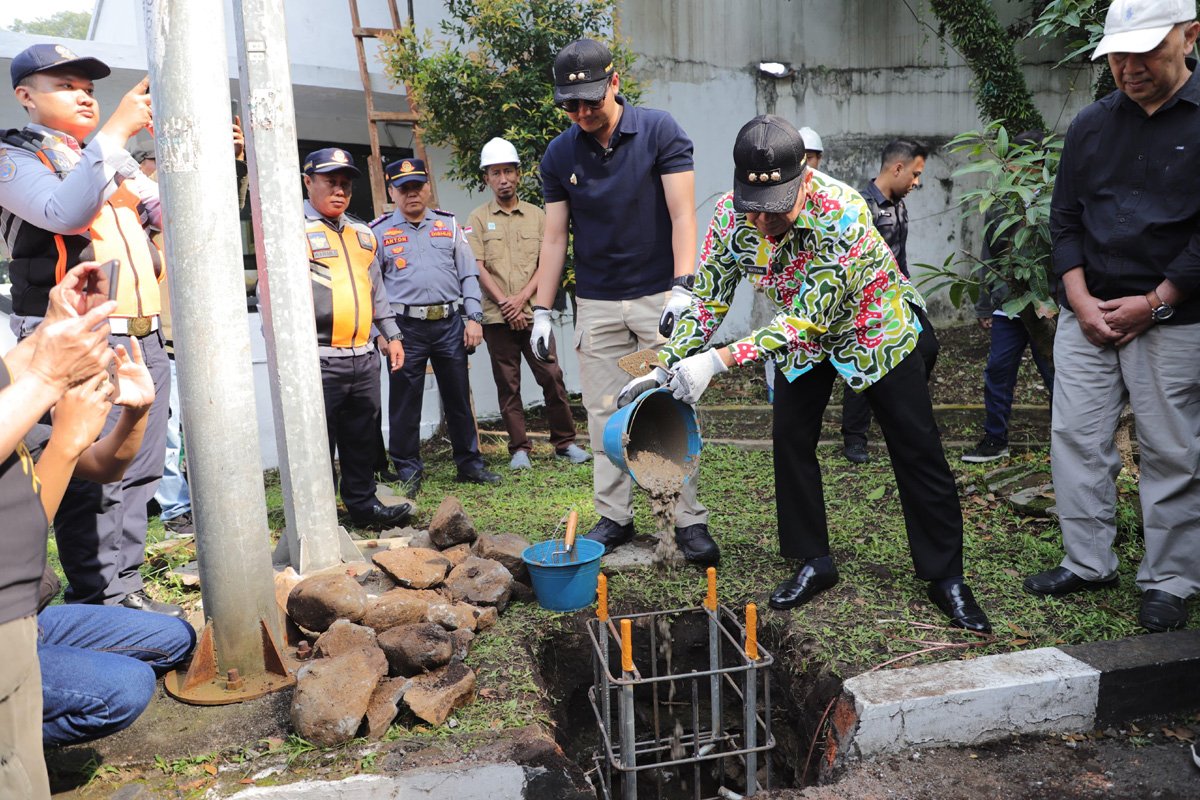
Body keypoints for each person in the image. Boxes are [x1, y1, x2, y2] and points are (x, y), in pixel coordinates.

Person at [642, 115, 990, 632]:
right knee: (789, 438)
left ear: (803, 177)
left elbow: (811, 316)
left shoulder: (844, 211)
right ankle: (813, 560)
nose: (762, 224)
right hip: (799, 344)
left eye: (775, 211)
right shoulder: (729, 216)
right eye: (752, 211)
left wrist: (716, 361)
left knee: (916, 448)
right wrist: (665, 363)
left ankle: (946, 577)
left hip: (873, 329)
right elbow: (709, 300)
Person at [1024, 0, 1200, 634]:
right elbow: (1064, 218)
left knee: (1171, 450)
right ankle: (1087, 561)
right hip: (1089, 313)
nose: (1130, 67)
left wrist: (1156, 302)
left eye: (1147, 51)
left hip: (1175, 319)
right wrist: (1075, 297)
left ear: (1190, 36)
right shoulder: (1091, 125)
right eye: (1119, 55)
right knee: (1075, 439)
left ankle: (1171, 579)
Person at [0, 44, 181, 617]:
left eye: (88, 85)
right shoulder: (15, 153)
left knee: (140, 469)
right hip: (80, 341)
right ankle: (100, 599)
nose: (84, 94)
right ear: (24, 95)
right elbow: (63, 214)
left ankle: (124, 587)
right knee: (92, 476)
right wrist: (114, 136)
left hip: (142, 336)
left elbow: (170, 216)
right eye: (65, 84)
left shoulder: (109, 157)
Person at [0, 265, 190, 799]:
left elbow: (104, 465)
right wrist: (63, 434)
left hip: (28, 617)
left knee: (174, 637)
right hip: (5, 626)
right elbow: (36, 511)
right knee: (125, 688)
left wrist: (134, 415)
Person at [530, 38, 717, 565]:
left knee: (667, 404)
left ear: (615, 83)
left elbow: (683, 214)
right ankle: (614, 514)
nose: (583, 113)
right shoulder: (560, 153)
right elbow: (553, 237)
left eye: (591, 100)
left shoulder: (660, 131)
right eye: (572, 104)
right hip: (596, 302)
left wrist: (685, 286)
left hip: (658, 296)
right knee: (601, 412)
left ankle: (685, 519)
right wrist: (543, 309)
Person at [371, 157, 500, 494]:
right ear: (392, 191)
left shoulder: (449, 225)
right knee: (404, 401)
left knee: (458, 395)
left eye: (417, 186)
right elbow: (371, 288)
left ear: (427, 188)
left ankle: (470, 464)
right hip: (403, 328)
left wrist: (473, 317)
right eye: (404, 189)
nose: (412, 194)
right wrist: (379, 333)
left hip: (448, 323)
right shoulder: (379, 232)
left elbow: (468, 274)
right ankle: (409, 470)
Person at [299, 148, 413, 528]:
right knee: (318, 442)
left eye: (345, 184)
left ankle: (363, 507)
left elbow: (375, 291)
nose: (340, 190)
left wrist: (391, 335)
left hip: (362, 356)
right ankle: (318, 517)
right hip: (317, 356)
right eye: (331, 182)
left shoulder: (364, 234)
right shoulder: (293, 230)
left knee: (362, 436)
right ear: (308, 182)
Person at [465, 137, 590, 471]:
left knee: (551, 376)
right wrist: (506, 303)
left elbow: (547, 262)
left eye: (508, 171)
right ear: (486, 179)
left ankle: (565, 443)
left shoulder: (538, 215)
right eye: (495, 173)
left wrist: (522, 302)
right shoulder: (477, 219)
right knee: (508, 384)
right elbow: (477, 267)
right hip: (496, 317)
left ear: (518, 174)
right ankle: (519, 448)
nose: (503, 178)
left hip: (536, 314)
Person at [840, 139, 937, 465]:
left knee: (926, 347)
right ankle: (854, 437)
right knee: (862, 363)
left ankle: (897, 407)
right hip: (865, 301)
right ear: (898, 168)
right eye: (915, 173)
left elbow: (900, 256)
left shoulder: (899, 204)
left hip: (898, 294)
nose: (917, 182)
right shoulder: (860, 205)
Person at [963, 132, 1055, 463]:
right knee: (998, 371)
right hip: (1008, 305)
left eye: (1020, 158)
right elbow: (989, 254)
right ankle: (995, 439)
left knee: (1054, 372)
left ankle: (1064, 440)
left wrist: (1054, 298)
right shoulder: (1001, 201)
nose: (1012, 165)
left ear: (1038, 162)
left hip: (1046, 305)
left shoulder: (1054, 198)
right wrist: (986, 305)